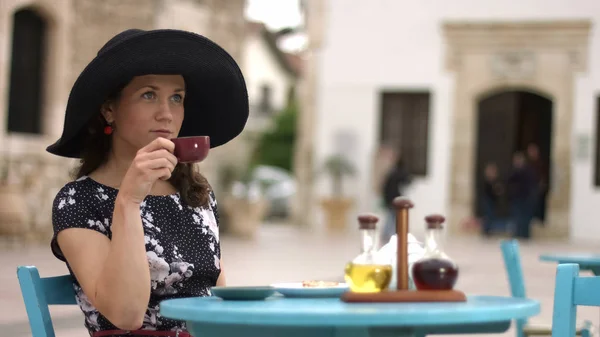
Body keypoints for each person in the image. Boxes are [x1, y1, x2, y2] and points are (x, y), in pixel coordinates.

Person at [46, 29, 249, 336]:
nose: (166, 114)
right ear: (109, 109)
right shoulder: (78, 201)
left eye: (176, 97)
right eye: (148, 95)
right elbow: (126, 315)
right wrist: (128, 200)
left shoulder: (196, 195)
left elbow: (217, 301)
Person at [379, 157, 412, 246]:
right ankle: (392, 235)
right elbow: (408, 180)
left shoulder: (391, 173)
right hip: (394, 200)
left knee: (391, 218)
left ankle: (388, 234)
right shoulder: (399, 174)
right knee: (393, 218)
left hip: (389, 200)